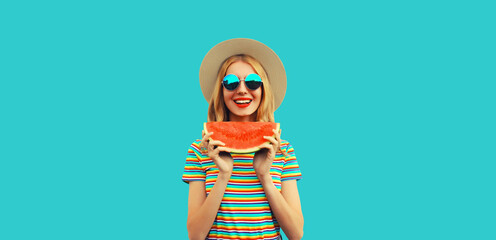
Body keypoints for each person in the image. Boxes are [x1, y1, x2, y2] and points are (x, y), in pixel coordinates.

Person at [182, 38, 303, 240]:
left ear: (263, 89)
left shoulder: (282, 150)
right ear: (221, 91)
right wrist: (223, 175)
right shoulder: (200, 150)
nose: (242, 89)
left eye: (253, 82)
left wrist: (264, 175)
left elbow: (296, 234)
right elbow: (195, 235)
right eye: (230, 83)